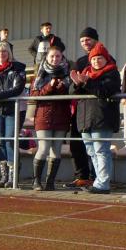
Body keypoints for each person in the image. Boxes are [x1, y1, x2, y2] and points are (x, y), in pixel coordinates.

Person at [69, 42, 121, 194]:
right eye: (93, 59)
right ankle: (100, 181)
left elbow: (104, 91)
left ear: (106, 59)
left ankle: (103, 183)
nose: (96, 61)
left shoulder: (112, 73)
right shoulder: (86, 73)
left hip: (102, 118)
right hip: (85, 118)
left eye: (99, 58)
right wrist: (77, 84)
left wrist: (86, 82)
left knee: (101, 150)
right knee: (91, 151)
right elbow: (72, 93)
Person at [65, 27, 107, 188]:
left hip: (97, 110)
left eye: (88, 39)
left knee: (98, 148)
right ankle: (82, 176)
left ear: (96, 40)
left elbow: (107, 86)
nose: (85, 43)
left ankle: (98, 179)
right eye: (82, 40)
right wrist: (78, 84)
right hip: (80, 109)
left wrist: (86, 83)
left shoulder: (107, 59)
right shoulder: (80, 61)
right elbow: (72, 89)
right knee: (77, 144)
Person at [0, 42, 27, 187]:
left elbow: (17, 89)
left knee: (10, 141)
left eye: (4, 52)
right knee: (1, 142)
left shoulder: (18, 68)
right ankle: (4, 176)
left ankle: (13, 176)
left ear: (9, 53)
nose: (1, 54)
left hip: (14, 110)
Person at [30, 46, 70, 190]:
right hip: (44, 116)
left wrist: (61, 87)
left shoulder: (67, 73)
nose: (55, 59)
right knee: (44, 147)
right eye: (52, 56)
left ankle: (50, 182)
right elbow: (34, 95)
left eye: (58, 56)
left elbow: (70, 93)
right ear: (46, 57)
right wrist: (49, 86)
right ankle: (36, 181)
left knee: (56, 149)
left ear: (62, 57)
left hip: (61, 116)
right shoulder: (39, 74)